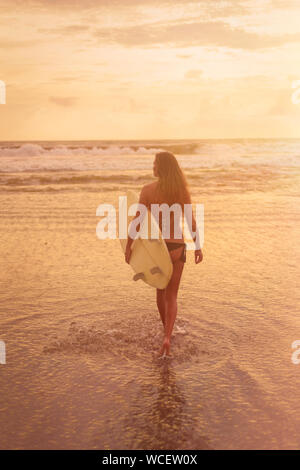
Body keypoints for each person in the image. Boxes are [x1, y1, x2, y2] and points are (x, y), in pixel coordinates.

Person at [125, 152, 203, 357]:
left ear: (161, 167)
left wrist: (129, 245)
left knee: (161, 291)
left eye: (155, 163)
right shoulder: (181, 191)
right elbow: (191, 221)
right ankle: (169, 335)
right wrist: (198, 246)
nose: (153, 166)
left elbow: (137, 220)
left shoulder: (148, 191)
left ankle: (165, 334)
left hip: (159, 249)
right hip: (177, 247)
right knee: (173, 295)